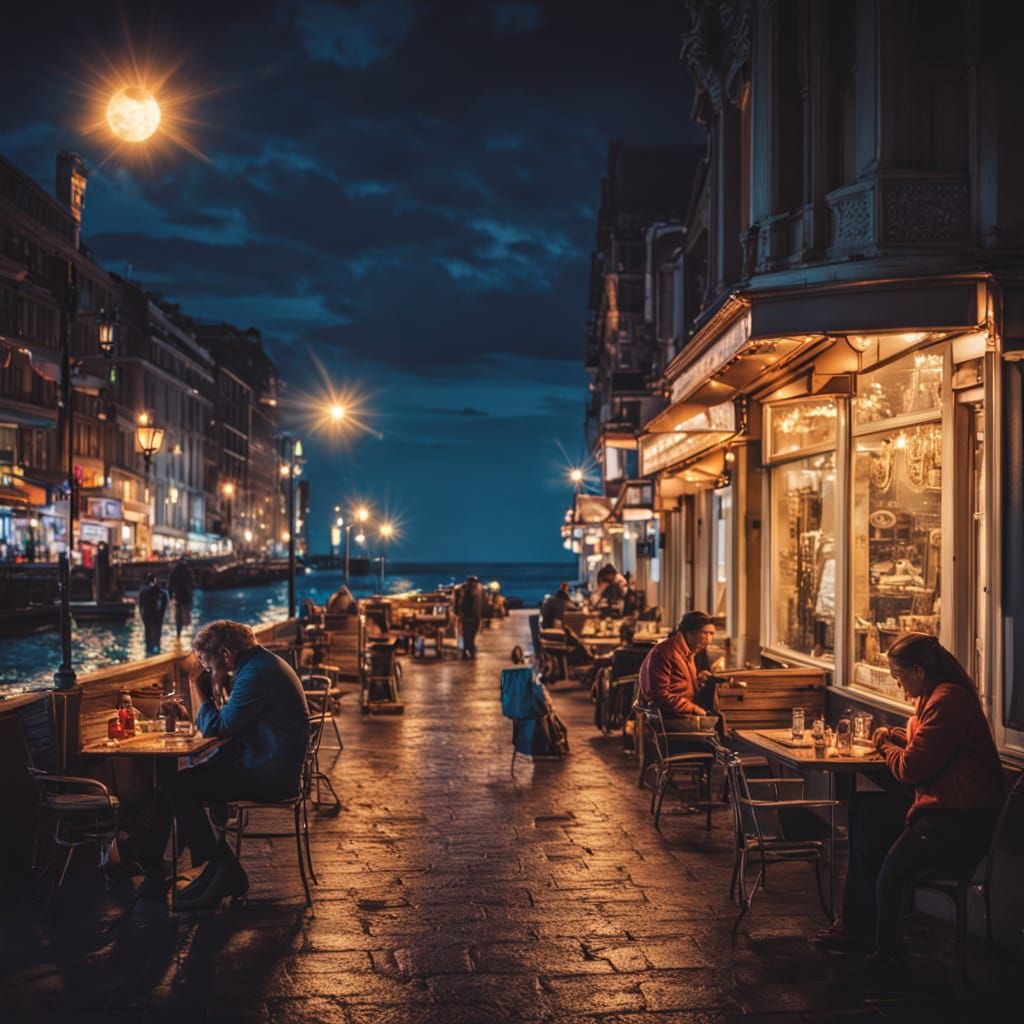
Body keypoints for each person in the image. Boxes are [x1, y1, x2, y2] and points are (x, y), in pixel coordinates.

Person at [816, 632, 1003, 972]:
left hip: (962, 820)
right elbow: (930, 747)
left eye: (899, 676)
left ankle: (887, 952)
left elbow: (910, 768)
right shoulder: (934, 697)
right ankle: (857, 928)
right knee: (864, 812)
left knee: (892, 868)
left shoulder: (948, 701)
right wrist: (895, 736)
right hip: (942, 808)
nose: (898, 685)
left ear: (918, 671)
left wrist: (885, 746)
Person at [138, 620, 310, 910]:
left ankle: (216, 867)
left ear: (226, 654)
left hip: (270, 775)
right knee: (176, 783)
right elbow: (228, 726)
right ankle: (167, 866)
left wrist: (198, 686)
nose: (205, 669)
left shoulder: (255, 674)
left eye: (206, 662)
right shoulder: (260, 666)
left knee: (177, 785)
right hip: (266, 765)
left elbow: (217, 727)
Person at [137, 573, 169, 655]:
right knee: (157, 636)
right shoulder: (161, 592)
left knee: (148, 636)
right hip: (157, 616)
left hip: (148, 616)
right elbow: (164, 604)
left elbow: (140, 606)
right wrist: (161, 614)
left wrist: (142, 616)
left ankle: (149, 651)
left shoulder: (143, 591)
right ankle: (156, 650)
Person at [456, 575, 485, 659]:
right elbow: (484, 603)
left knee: (466, 634)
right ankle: (471, 650)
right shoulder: (480, 589)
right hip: (476, 616)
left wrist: (459, 612)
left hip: (466, 616)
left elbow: (462, 603)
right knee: (472, 635)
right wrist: (484, 614)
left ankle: (467, 650)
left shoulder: (466, 589)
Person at [168, 556, 196, 640]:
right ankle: (189, 634)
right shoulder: (188, 570)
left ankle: (179, 634)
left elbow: (170, 584)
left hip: (178, 596)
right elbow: (193, 583)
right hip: (187, 596)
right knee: (187, 615)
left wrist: (170, 596)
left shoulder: (175, 570)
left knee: (179, 617)